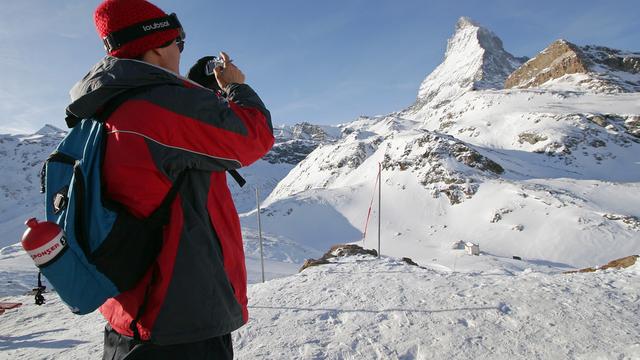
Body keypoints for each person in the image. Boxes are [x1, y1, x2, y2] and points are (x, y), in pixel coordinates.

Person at [66, 0, 274, 358]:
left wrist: (195, 91)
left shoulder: (108, 104)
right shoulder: (160, 106)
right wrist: (236, 88)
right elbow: (254, 135)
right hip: (181, 316)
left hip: (131, 309)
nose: (181, 49)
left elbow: (171, 150)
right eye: (179, 41)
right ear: (155, 46)